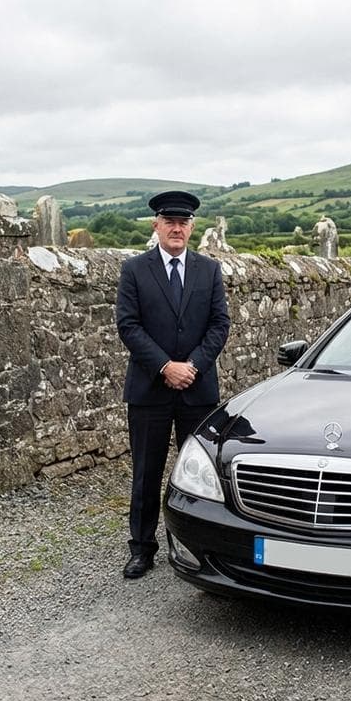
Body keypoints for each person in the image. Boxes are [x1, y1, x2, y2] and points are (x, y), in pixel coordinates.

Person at [115, 190, 230, 579]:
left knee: (200, 474)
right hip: (150, 389)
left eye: (184, 223)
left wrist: (192, 366)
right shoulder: (134, 270)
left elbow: (219, 325)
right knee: (147, 473)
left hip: (197, 390)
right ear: (157, 226)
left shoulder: (209, 270)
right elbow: (128, 326)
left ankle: (196, 546)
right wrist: (166, 366)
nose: (177, 229)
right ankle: (141, 548)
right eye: (170, 222)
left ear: (192, 227)